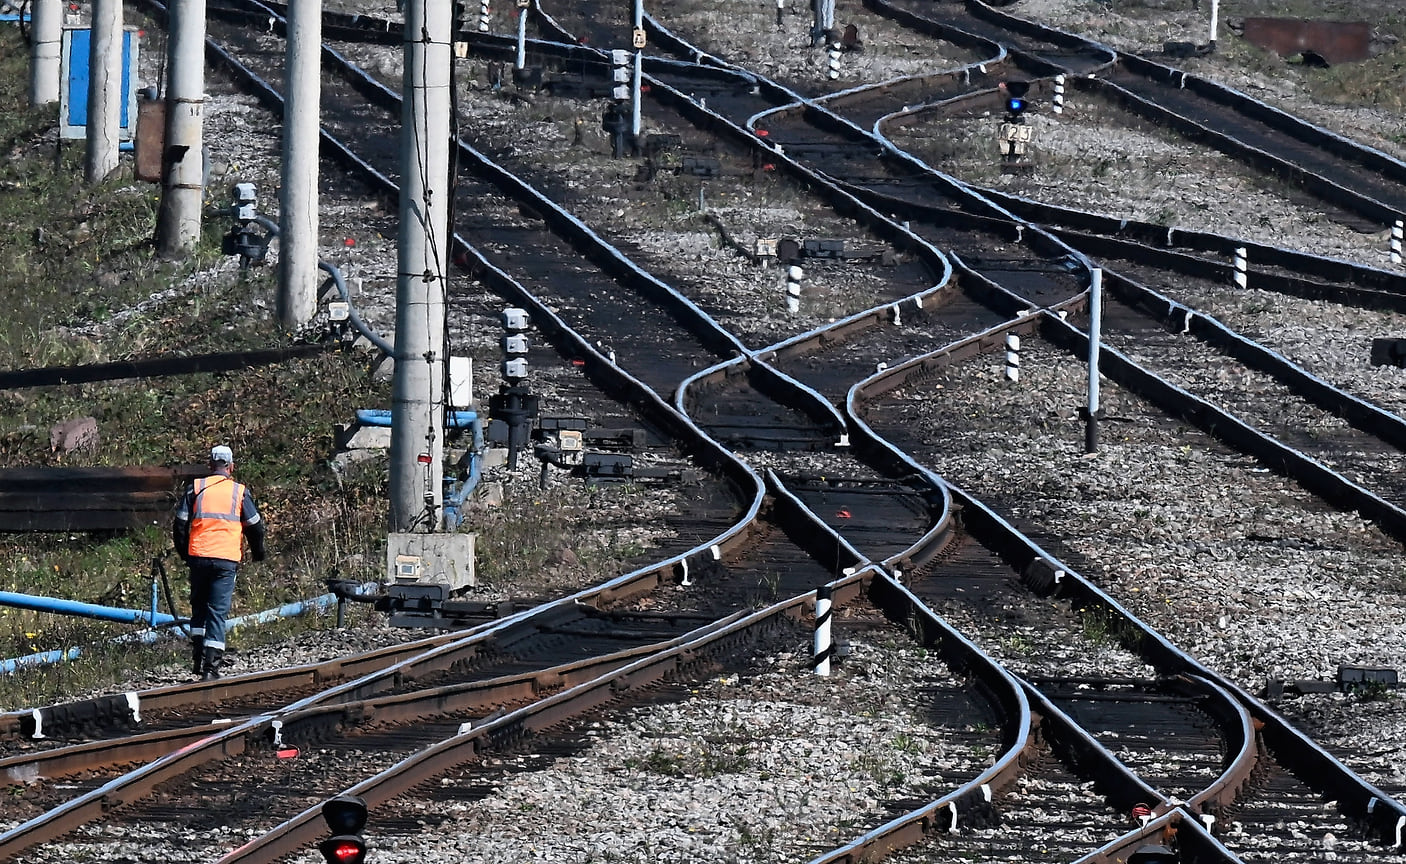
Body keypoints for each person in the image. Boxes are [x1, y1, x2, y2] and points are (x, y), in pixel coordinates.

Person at [172, 445, 267, 680]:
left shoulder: (195, 489)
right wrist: (258, 553)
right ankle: (210, 668)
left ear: (210, 465)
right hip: (225, 560)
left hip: (199, 557)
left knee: (199, 608)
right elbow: (255, 527)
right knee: (217, 611)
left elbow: (180, 524)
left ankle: (197, 657)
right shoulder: (239, 492)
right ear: (231, 467)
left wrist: (185, 553)